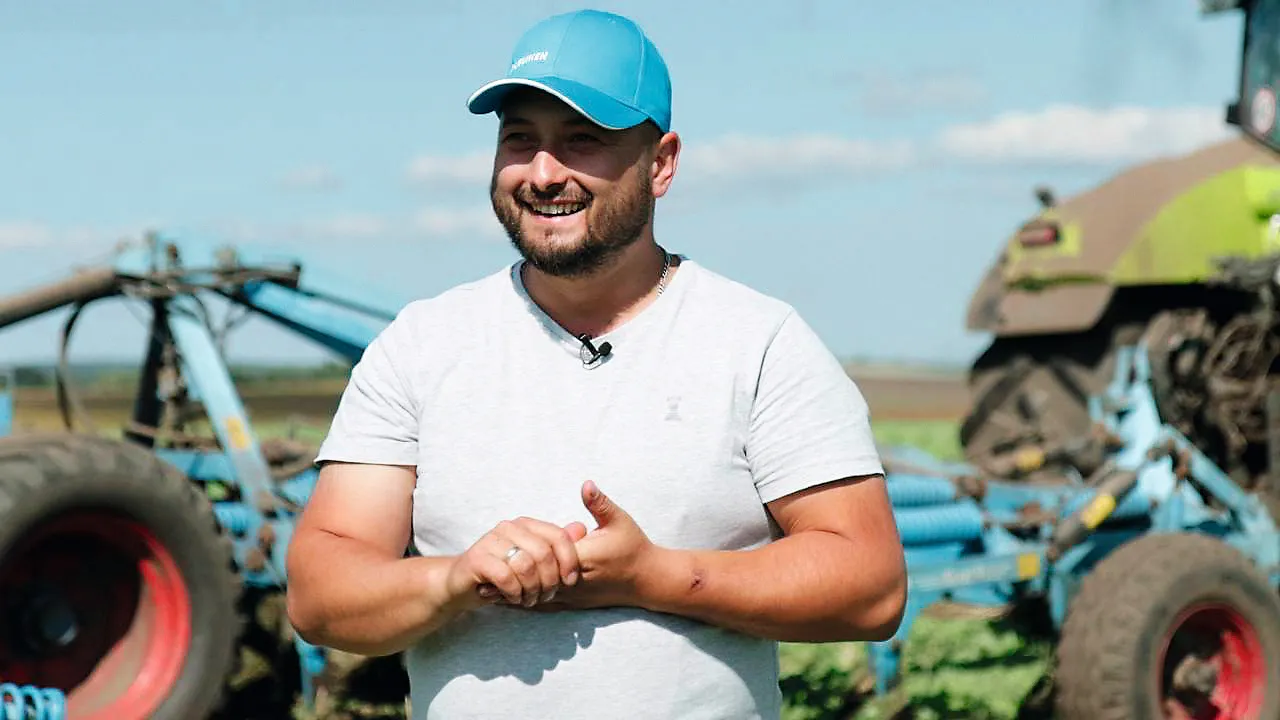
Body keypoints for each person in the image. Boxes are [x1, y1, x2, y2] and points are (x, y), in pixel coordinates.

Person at [285, 8, 907, 719]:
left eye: (583, 140)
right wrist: (455, 579)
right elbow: (319, 593)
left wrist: (655, 577)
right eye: (520, 139)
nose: (544, 173)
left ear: (661, 163)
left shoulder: (760, 343)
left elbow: (871, 587)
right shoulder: (422, 345)